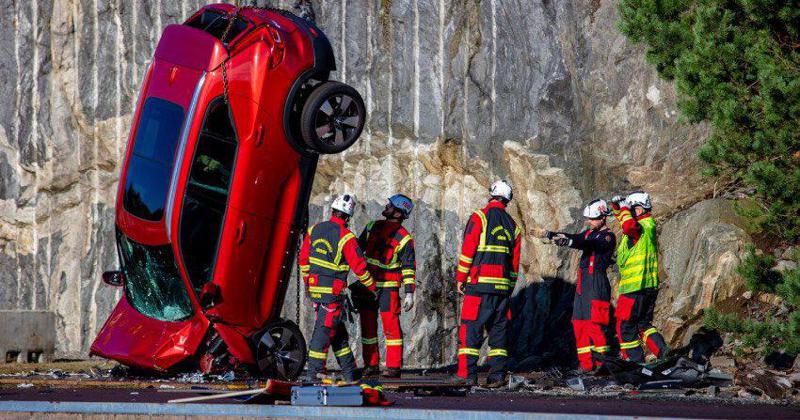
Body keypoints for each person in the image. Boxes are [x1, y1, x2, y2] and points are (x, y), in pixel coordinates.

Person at [298, 194, 376, 382]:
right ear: (348, 217)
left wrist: (309, 283)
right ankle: (314, 373)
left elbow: (303, 260)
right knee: (323, 332)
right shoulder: (347, 237)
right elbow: (359, 268)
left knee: (337, 332)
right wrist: (373, 287)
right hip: (332, 294)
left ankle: (350, 371)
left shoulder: (314, 229)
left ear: (332, 210)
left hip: (316, 291)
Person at [454, 180, 521, 387]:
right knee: (499, 334)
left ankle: (466, 374)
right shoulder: (513, 225)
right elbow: (514, 264)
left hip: (479, 286)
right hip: (501, 290)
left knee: (470, 329)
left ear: (492, 194)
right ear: (508, 200)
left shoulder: (480, 217)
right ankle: (498, 375)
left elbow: (468, 250)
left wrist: (460, 278)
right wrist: (508, 288)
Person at [540, 199, 615, 372]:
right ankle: (586, 364)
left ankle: (602, 364)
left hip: (596, 283)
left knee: (595, 324)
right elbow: (577, 238)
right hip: (584, 283)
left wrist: (571, 243)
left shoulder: (607, 236)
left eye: (593, 218)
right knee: (579, 323)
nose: (589, 221)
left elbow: (588, 244)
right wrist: (551, 234)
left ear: (603, 217)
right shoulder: (589, 233)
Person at [355, 194, 417, 378]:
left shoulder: (405, 238)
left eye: (390, 205)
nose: (386, 206)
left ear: (398, 213)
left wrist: (409, 293)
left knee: (391, 328)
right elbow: (356, 251)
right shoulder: (372, 226)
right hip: (368, 285)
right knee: (368, 328)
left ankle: (393, 367)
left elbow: (408, 267)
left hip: (388, 288)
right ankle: (371, 365)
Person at [609, 191, 668, 362]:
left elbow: (628, 226)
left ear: (641, 209)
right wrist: (618, 208)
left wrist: (624, 208)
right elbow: (625, 222)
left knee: (625, 327)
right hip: (647, 288)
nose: (631, 213)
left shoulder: (640, 227)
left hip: (634, 289)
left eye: (633, 209)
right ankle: (663, 354)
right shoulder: (646, 226)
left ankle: (634, 362)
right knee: (644, 325)